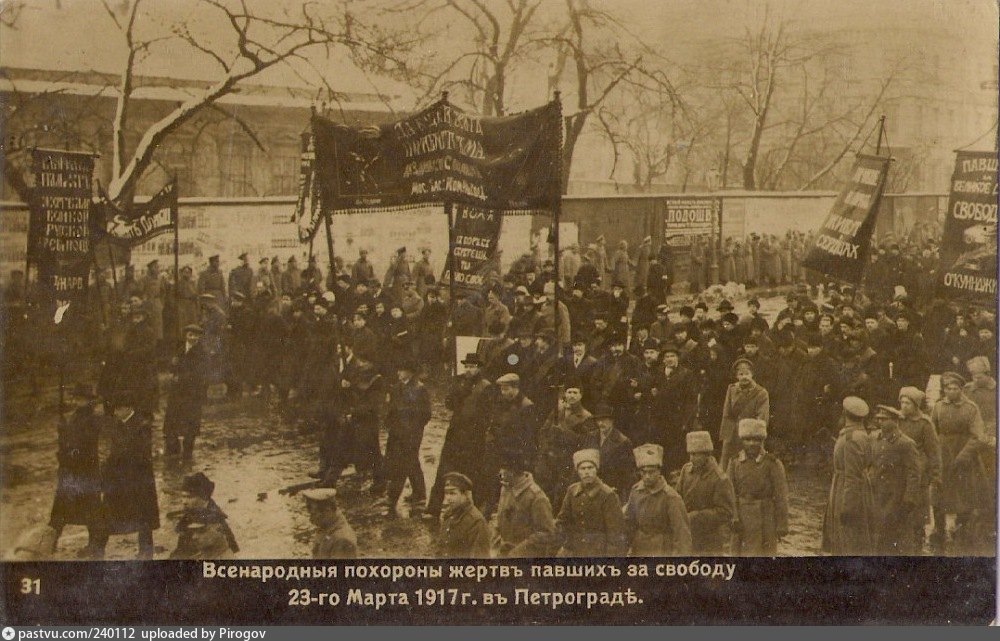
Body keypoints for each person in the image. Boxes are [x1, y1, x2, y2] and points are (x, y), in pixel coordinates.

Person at [427, 354, 493, 519]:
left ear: (479, 368)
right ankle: (433, 509)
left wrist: (480, 432)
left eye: (472, 367)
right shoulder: (458, 382)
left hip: (474, 436)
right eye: (467, 366)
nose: (469, 370)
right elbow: (449, 403)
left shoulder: (485, 386)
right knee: (444, 470)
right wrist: (460, 392)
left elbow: (487, 414)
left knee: (473, 473)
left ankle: (474, 511)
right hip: (455, 433)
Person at [930, 371, 988, 554]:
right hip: (943, 457)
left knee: (964, 497)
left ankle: (963, 536)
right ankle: (939, 533)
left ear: (961, 389)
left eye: (955, 388)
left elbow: (978, 436)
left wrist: (963, 456)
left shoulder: (970, 408)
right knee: (938, 496)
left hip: (964, 459)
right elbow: (933, 432)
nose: (951, 391)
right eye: (947, 388)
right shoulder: (938, 407)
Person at [93, 401, 160, 559]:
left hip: (137, 479)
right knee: (107, 513)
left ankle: (146, 552)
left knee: (143, 516)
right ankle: (97, 550)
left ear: (128, 407)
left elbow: (139, 454)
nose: (115, 412)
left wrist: (112, 465)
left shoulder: (142, 425)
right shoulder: (119, 424)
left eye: (118, 408)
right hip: (120, 478)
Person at [49, 383, 105, 557]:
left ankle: (95, 546)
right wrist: (63, 432)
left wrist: (70, 448)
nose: (77, 401)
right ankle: (50, 543)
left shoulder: (93, 419)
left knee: (91, 510)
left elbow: (84, 443)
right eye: (76, 398)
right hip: (71, 470)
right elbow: (68, 441)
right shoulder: (74, 417)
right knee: (60, 510)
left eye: (81, 398)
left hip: (86, 470)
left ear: (89, 401)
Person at [822, 397, 875, 556]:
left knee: (846, 538)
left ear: (844, 413)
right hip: (851, 487)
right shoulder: (860, 434)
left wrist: (848, 507)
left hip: (846, 490)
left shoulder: (851, 438)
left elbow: (852, 476)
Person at [727, 419, 789, 556]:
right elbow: (729, 494)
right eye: (747, 439)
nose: (752, 443)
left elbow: (781, 495)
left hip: (765, 518)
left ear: (762, 441)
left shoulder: (772, 463)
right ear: (742, 440)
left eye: (756, 440)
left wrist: (782, 524)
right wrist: (734, 517)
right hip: (742, 519)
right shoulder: (734, 463)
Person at [555, 449, 627, 556]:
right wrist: (566, 544)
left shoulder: (608, 495)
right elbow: (562, 521)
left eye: (590, 468)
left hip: (599, 552)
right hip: (575, 550)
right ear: (578, 471)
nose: (586, 472)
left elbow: (616, 533)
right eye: (582, 468)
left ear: (596, 470)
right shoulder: (572, 491)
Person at [623, 443, 692, 556]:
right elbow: (629, 523)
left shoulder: (671, 497)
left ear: (659, 471)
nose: (647, 476)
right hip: (639, 549)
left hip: (662, 550)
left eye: (651, 472)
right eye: (643, 472)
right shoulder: (636, 491)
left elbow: (682, 534)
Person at [871, 405, 922, 555]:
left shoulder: (906, 443)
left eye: (884, 419)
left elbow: (914, 474)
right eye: (879, 418)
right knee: (878, 535)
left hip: (895, 498)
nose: (880, 422)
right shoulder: (875, 438)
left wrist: (909, 499)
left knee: (893, 537)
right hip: (877, 494)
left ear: (895, 422)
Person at [675, 431, 736, 555]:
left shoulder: (719, 478)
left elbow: (725, 512)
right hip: (687, 535)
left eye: (697, 454)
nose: (692, 458)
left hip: (710, 539)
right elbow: (677, 497)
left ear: (707, 454)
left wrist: (696, 517)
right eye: (691, 454)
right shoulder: (686, 471)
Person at [383, 361, 432, 516]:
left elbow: (425, 414)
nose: (398, 373)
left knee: (402, 464)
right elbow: (391, 408)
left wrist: (414, 429)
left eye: (401, 370)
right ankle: (419, 495)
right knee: (411, 461)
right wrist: (389, 423)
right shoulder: (396, 387)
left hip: (411, 433)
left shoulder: (419, 389)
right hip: (397, 433)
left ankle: (392, 500)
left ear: (410, 372)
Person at [897, 386, 942, 552]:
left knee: (917, 509)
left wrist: (935, 475)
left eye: (908, 403)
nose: (904, 406)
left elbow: (933, 451)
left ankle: (917, 540)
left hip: (920, 471)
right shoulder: (898, 420)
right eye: (902, 402)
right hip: (900, 470)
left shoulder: (925, 424)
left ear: (916, 405)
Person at [493, 452, 557, 557]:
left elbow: (546, 533)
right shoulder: (505, 489)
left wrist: (517, 553)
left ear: (513, 472)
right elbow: (500, 517)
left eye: (503, 469)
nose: (500, 472)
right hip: (504, 553)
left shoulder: (537, 497)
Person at [163, 324, 208, 461]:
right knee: (172, 419)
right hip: (177, 391)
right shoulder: (180, 349)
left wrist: (180, 377)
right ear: (186, 336)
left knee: (190, 422)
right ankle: (173, 449)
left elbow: (198, 373)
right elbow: (172, 365)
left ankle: (188, 451)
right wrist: (173, 369)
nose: (193, 338)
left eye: (196, 335)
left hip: (192, 392)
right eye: (190, 334)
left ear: (199, 337)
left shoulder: (201, 352)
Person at [170, 473, 239, 559]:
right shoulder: (193, 511)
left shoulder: (213, 518)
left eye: (189, 497)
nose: (184, 501)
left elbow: (229, 545)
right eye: (183, 497)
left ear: (204, 497)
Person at [718, 358, 770, 469]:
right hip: (733, 431)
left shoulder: (761, 393)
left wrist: (755, 436)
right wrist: (726, 437)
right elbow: (726, 413)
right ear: (736, 376)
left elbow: (762, 417)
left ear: (752, 374)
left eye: (747, 373)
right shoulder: (731, 389)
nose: (744, 377)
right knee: (727, 463)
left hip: (750, 434)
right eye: (741, 374)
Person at [581, 404, 634, 502]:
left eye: (604, 420)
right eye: (598, 420)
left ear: (612, 421)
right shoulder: (591, 436)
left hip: (612, 489)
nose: (601, 423)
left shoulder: (622, 442)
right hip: (590, 487)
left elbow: (628, 474)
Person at [437, 472, 491, 558]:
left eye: (452, 493)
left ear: (465, 495)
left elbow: (480, 560)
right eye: (446, 493)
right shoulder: (448, 515)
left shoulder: (476, 521)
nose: (448, 498)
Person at [301, 488, 357, 559]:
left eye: (313, 513)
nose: (311, 518)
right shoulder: (327, 526)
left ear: (327, 511)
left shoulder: (342, 540)